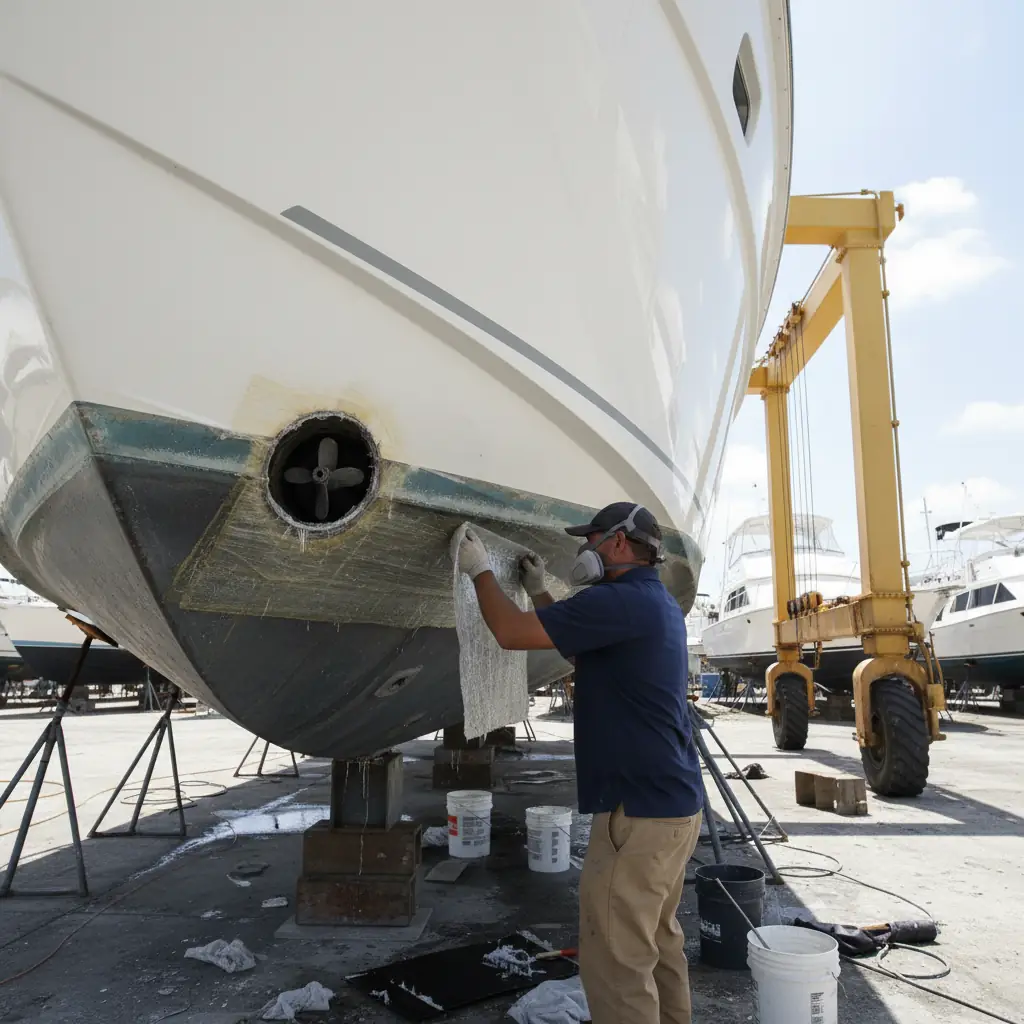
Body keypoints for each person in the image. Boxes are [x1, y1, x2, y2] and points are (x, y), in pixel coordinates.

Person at [454, 503, 704, 1024]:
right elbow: (585, 654)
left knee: (615, 960)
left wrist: (479, 569)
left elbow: (510, 632)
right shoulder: (649, 601)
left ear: (615, 544)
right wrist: (542, 589)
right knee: (657, 943)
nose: (582, 552)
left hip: (637, 814)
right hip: (673, 808)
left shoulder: (619, 601)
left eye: (588, 542)